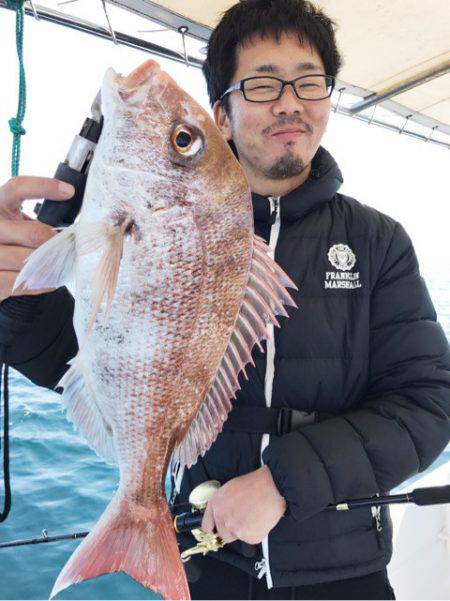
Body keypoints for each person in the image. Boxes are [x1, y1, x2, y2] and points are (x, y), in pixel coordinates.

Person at [0, 0, 448, 599]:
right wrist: (14, 295)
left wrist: (285, 482)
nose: (289, 101)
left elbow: (431, 401)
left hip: (345, 572)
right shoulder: (129, 221)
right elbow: (72, 358)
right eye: (262, 83)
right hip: (207, 562)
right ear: (222, 116)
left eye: (308, 81)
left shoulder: (378, 241)